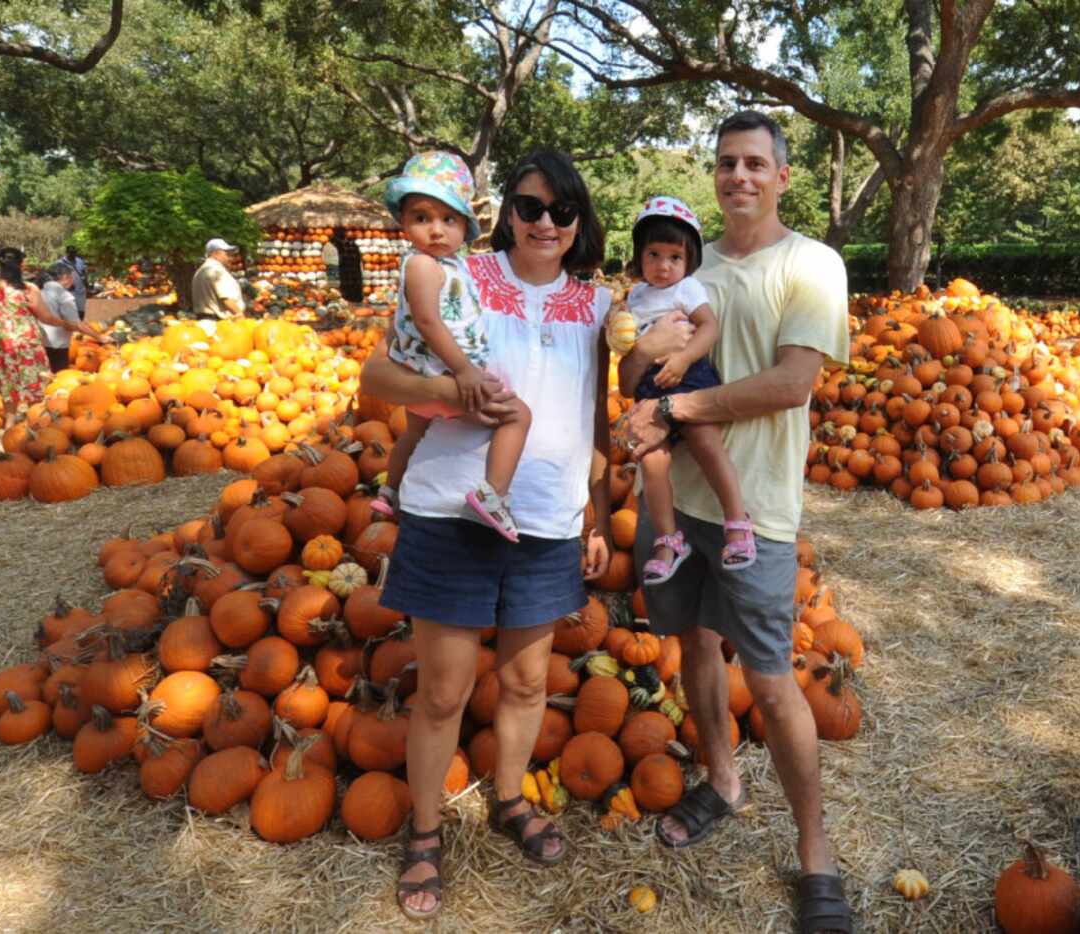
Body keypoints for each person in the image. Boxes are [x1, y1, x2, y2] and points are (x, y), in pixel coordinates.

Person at [359, 150, 612, 922]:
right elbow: (375, 378)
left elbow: (596, 412)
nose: (544, 223)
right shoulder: (456, 273)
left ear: (577, 223)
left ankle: (508, 799)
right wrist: (451, 387)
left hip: (545, 518)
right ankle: (426, 830)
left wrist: (595, 509)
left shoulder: (599, 305)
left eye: (560, 211)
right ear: (505, 213)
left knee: (529, 681)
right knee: (443, 690)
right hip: (451, 509)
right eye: (530, 208)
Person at [620, 111, 854, 934]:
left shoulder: (810, 265)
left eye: (756, 163)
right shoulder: (685, 262)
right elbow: (631, 364)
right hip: (673, 505)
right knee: (693, 646)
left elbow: (792, 383)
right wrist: (637, 386)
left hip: (757, 510)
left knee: (773, 679)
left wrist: (678, 402)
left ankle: (816, 852)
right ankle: (721, 779)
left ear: (783, 176)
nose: (739, 177)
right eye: (726, 163)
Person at [368, 151, 531, 541]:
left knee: (412, 434)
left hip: (424, 380)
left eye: (448, 219)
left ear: (464, 225)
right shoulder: (423, 266)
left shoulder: (451, 266)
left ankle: (388, 492)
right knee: (518, 416)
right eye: (422, 218)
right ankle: (493, 495)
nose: (436, 230)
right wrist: (463, 370)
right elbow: (427, 321)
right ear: (404, 223)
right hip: (447, 378)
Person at [615, 196, 753, 586]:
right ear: (639, 256)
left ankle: (737, 522)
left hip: (689, 377)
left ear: (688, 260)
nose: (663, 266)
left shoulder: (688, 289)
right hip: (647, 387)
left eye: (674, 257)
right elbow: (631, 346)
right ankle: (668, 540)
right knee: (651, 461)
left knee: (705, 441)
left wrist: (683, 358)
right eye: (654, 254)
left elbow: (708, 327)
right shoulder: (636, 296)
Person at [0, 248, 103, 411]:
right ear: (21, 266)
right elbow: (46, 317)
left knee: (9, 385)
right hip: (26, 342)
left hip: (2, 343)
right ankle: (34, 420)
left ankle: (9, 422)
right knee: (34, 385)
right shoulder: (28, 288)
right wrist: (65, 324)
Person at [37, 262, 83, 372]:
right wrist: (99, 336)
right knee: (59, 377)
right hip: (58, 345)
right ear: (65, 277)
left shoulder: (39, 292)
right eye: (72, 277)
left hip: (40, 342)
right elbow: (74, 324)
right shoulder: (64, 295)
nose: (73, 280)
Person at [190, 238, 245, 318]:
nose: (230, 257)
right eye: (227, 253)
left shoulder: (200, 271)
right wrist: (240, 314)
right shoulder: (218, 271)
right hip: (219, 322)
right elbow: (226, 298)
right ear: (216, 253)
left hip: (203, 319)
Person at [59, 245, 88, 315]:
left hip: (80, 291)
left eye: (73, 253)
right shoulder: (60, 263)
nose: (72, 254)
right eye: (70, 253)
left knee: (81, 312)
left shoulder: (79, 261)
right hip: (68, 292)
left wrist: (86, 283)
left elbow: (84, 272)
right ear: (67, 253)